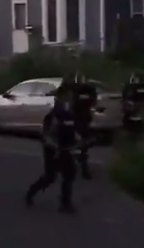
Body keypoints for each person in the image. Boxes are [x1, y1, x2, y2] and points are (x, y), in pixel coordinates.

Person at [26, 85, 78, 213]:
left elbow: (71, 131)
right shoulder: (53, 115)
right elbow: (46, 135)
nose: (70, 99)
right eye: (67, 97)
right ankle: (31, 192)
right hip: (53, 150)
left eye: (70, 97)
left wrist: (76, 139)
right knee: (50, 178)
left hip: (65, 148)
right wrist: (54, 148)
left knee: (69, 174)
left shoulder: (69, 114)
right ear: (60, 98)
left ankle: (65, 203)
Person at [69, 73, 98, 180]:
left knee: (81, 143)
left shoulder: (76, 90)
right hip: (81, 119)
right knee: (81, 143)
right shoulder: (86, 90)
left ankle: (80, 162)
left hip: (80, 119)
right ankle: (82, 165)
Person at [121, 71, 144, 139]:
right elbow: (124, 96)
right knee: (128, 118)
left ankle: (137, 132)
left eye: (135, 78)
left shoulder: (136, 87)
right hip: (132, 105)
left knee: (137, 119)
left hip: (137, 105)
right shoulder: (130, 86)